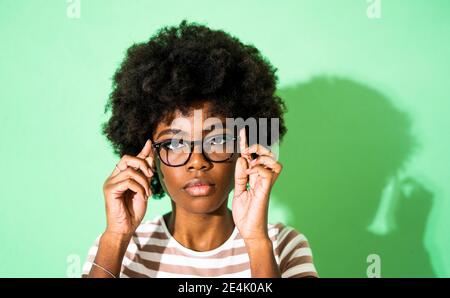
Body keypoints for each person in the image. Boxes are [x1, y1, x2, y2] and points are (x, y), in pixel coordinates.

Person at [82, 20, 318, 278]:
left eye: (217, 140)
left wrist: (256, 240)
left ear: (245, 149)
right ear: (150, 157)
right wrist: (116, 236)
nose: (197, 161)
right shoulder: (117, 251)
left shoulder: (283, 246)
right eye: (174, 143)